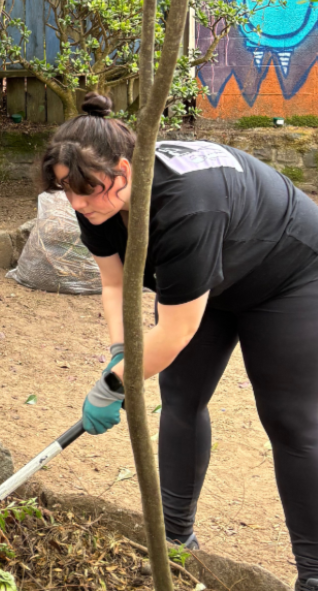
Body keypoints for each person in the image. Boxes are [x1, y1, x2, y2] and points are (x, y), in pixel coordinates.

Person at [41, 94, 318, 591]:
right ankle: (174, 539)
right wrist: (120, 354)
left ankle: (315, 574)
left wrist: (111, 387)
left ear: (124, 171)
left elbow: (175, 331)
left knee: (290, 420)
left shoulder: (188, 206)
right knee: (180, 398)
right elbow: (114, 283)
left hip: (288, 272)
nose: (78, 204)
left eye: (86, 191)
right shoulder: (93, 195)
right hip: (206, 278)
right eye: (67, 191)